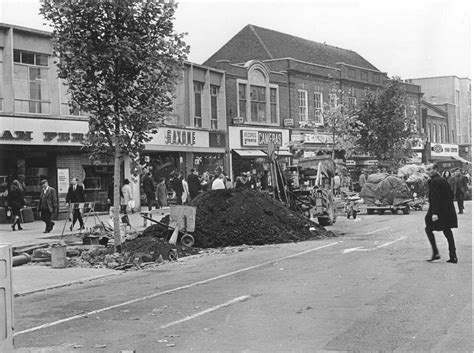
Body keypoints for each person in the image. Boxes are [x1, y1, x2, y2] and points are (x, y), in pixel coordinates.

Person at [424, 163, 458, 264]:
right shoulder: (442, 180)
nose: (428, 172)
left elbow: (436, 197)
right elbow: (450, 194)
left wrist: (435, 213)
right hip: (446, 210)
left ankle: (436, 253)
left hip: (438, 210)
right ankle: (453, 256)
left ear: (435, 169)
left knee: (428, 228)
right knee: (447, 231)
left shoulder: (434, 181)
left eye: (429, 169)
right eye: (427, 170)